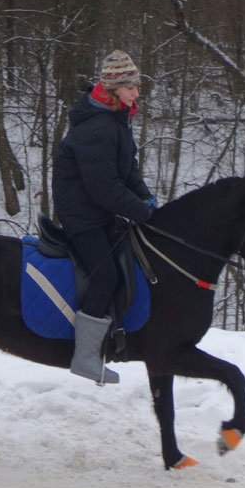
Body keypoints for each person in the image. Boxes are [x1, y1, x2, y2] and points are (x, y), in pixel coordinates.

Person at [52, 50, 156, 384]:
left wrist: (147, 199)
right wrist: (143, 213)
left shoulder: (117, 120)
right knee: (106, 275)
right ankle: (84, 357)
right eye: (131, 88)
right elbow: (105, 188)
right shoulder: (97, 127)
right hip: (83, 216)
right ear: (114, 90)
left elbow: (128, 170)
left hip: (101, 211)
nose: (137, 93)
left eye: (137, 86)